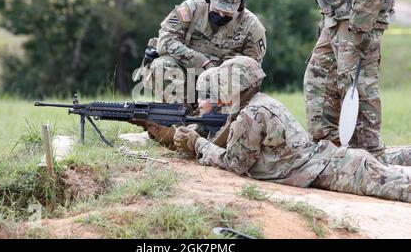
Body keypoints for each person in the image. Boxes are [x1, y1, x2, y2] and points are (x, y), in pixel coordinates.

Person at [174, 56, 411, 203]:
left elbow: (235, 163)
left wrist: (197, 143)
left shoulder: (251, 115)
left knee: (401, 188)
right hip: (333, 162)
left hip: (335, 169)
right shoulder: (261, 103)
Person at [303, 0, 397, 156]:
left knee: (357, 83)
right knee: (319, 77)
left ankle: (369, 154)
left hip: (357, 19)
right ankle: (327, 149)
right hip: (337, 15)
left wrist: (361, 26)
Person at [139, 0, 267, 104]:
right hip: (187, 78)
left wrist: (219, 77)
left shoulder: (252, 26)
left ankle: (221, 117)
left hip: (224, 88)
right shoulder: (191, 9)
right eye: (217, 9)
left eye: (228, 12)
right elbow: (165, 42)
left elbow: (253, 71)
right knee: (161, 65)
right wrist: (201, 62)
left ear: (240, 6)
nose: (222, 15)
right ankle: (179, 116)